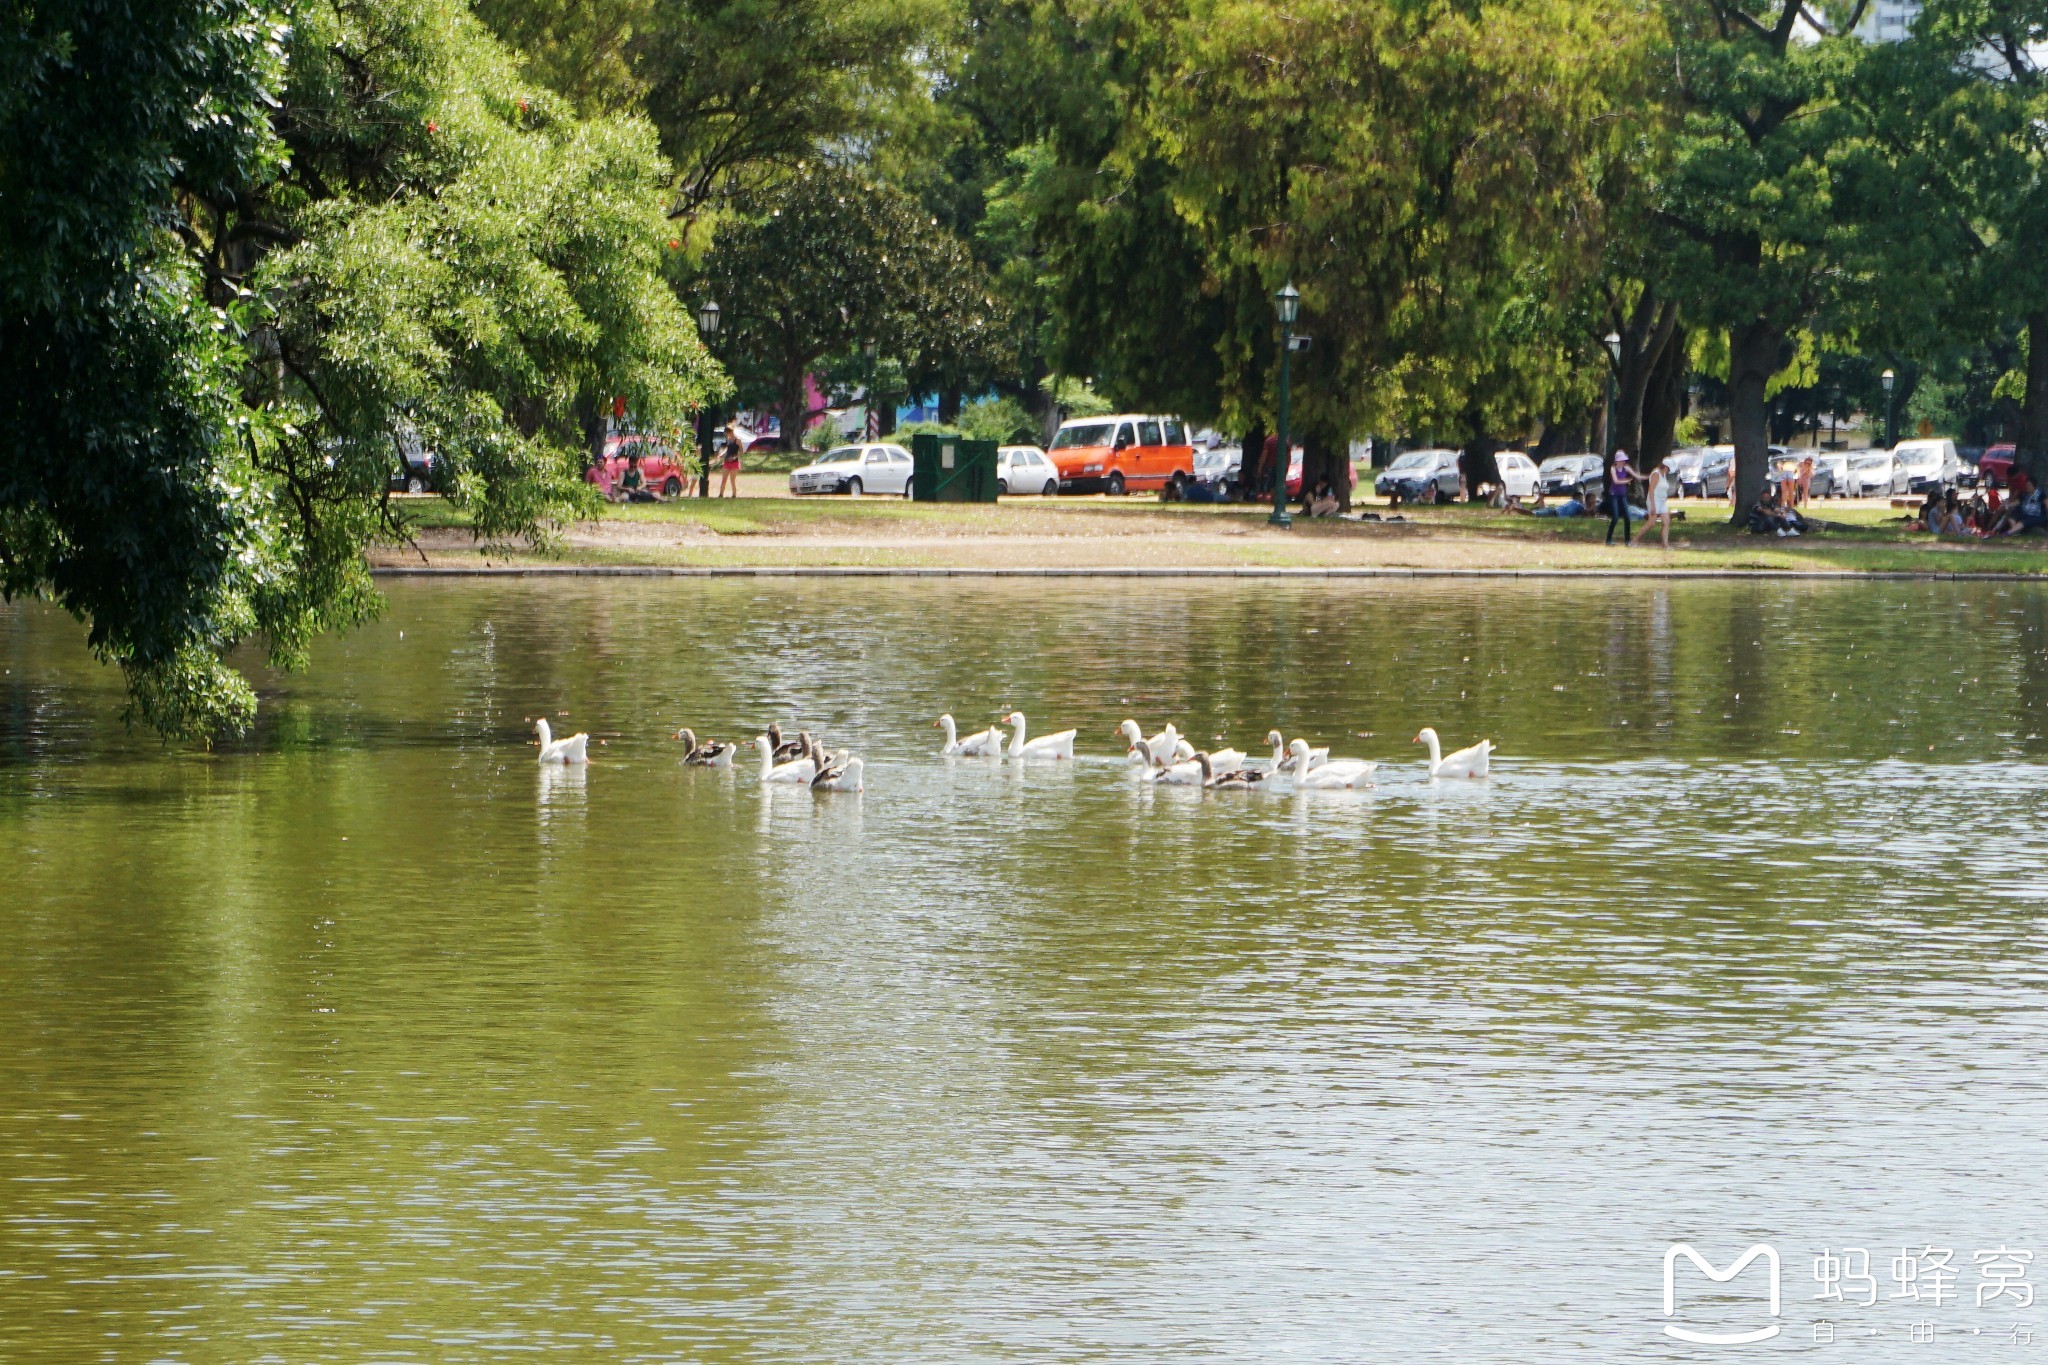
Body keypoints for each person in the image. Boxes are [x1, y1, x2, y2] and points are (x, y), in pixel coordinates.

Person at [1605, 449, 1636, 545]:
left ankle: (1627, 540)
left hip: (1622, 495)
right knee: (1615, 517)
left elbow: (1636, 475)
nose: (1624, 462)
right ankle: (1608, 539)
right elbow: (1616, 481)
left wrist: (1648, 476)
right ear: (1617, 461)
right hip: (1614, 495)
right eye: (1622, 460)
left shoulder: (1625, 468)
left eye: (1624, 460)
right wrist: (1627, 481)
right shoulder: (1613, 468)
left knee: (1627, 517)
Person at [1643, 457, 1674, 549]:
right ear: (1665, 467)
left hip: (1662, 501)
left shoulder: (1663, 475)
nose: (1668, 471)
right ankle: (1634, 540)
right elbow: (1651, 490)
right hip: (1654, 500)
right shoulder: (1656, 474)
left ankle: (1665, 544)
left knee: (1666, 521)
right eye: (1668, 469)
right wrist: (1653, 505)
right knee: (1651, 523)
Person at [717, 420, 743, 498]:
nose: (726, 434)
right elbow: (727, 449)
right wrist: (720, 454)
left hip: (734, 463)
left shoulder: (737, 440)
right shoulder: (728, 440)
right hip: (727, 462)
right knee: (723, 480)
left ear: (731, 432)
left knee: (732, 480)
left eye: (727, 433)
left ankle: (734, 495)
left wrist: (734, 457)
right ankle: (721, 494)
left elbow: (741, 451)